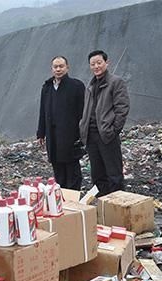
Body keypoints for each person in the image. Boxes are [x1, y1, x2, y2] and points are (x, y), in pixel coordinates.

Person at [79, 50, 130, 196]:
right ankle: (103, 205)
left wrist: (113, 130)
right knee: (97, 173)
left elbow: (122, 108)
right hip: (91, 135)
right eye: (93, 64)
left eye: (99, 63)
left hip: (107, 134)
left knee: (114, 173)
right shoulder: (90, 85)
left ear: (107, 63)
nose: (96, 66)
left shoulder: (115, 82)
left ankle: (119, 205)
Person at [36, 56, 85, 190]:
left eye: (61, 66)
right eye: (55, 67)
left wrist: (82, 134)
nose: (58, 69)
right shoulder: (47, 87)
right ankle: (61, 198)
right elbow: (43, 111)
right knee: (58, 169)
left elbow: (83, 112)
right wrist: (41, 132)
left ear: (67, 67)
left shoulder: (76, 86)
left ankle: (73, 200)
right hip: (53, 136)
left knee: (72, 170)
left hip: (70, 135)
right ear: (51, 69)